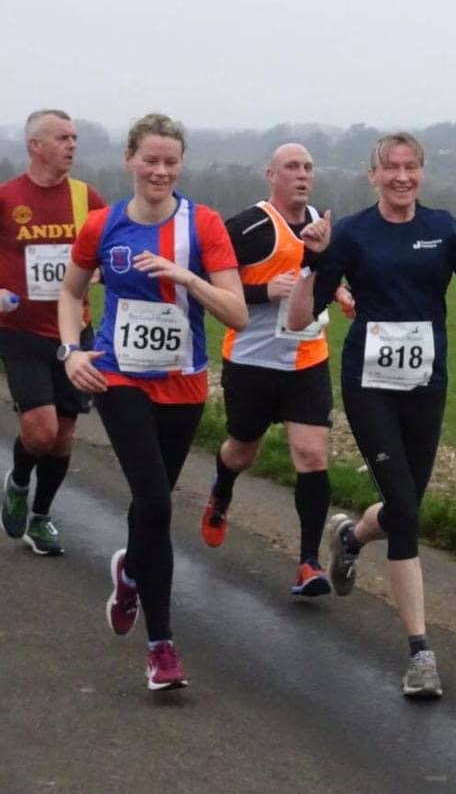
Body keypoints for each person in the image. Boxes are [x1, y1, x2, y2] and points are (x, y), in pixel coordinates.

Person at [288, 132, 456, 698]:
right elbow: (297, 319)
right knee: (408, 513)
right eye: (390, 168)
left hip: (424, 385)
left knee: (403, 504)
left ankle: (351, 537)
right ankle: (420, 652)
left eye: (410, 167)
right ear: (373, 175)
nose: (401, 177)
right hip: (369, 385)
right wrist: (312, 261)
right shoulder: (352, 232)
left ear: (421, 173)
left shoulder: (442, 228)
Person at [58, 113, 247, 691]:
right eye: (151, 160)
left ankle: (131, 573)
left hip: (184, 383)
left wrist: (186, 278)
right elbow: (70, 290)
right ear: (130, 161)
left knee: (151, 500)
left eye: (171, 162)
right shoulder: (103, 224)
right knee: (157, 504)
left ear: (181, 165)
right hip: (118, 378)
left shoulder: (204, 224)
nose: (160, 171)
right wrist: (70, 352)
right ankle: (161, 647)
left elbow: (237, 313)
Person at [200, 143, 354, 597]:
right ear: (271, 175)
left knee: (312, 456)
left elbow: (327, 276)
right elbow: (209, 284)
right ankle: (222, 489)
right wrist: (263, 290)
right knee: (241, 452)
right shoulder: (248, 226)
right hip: (251, 362)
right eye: (292, 167)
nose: (302, 175)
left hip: (307, 361)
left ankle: (308, 564)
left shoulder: (324, 227)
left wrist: (341, 293)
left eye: (308, 167)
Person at [0, 109, 105, 555]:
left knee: (62, 438)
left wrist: (101, 271)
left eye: (74, 137)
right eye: (62, 137)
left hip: (73, 333)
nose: (72, 145)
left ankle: (40, 517)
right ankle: (19, 482)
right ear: (35, 146)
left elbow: (110, 250)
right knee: (40, 432)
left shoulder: (86, 197)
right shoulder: (7, 198)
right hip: (20, 330)